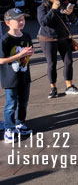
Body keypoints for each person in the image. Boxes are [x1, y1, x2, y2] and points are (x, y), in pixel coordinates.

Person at [37, 0, 78, 98]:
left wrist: (70, 13)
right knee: (52, 64)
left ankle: (69, 86)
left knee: (68, 61)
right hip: (48, 39)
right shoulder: (42, 8)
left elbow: (74, 20)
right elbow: (43, 22)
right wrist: (53, 9)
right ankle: (53, 88)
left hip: (63, 37)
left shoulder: (61, 5)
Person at [1, 9, 35, 143]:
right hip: (10, 78)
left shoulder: (26, 35)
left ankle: (20, 123)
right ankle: (9, 128)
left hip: (24, 75)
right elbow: (1, 60)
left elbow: (29, 49)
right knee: (11, 103)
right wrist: (19, 55)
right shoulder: (5, 39)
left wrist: (29, 52)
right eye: (18, 20)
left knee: (23, 102)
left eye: (23, 19)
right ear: (8, 22)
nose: (22, 22)